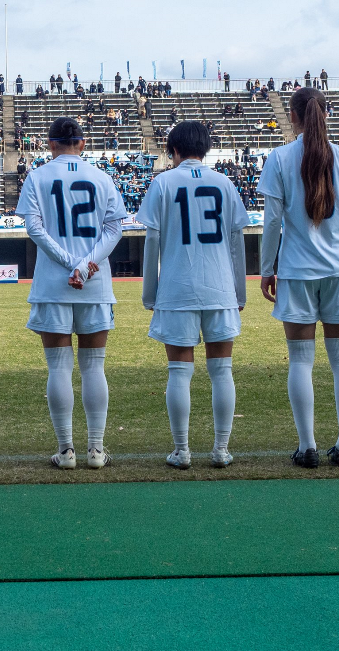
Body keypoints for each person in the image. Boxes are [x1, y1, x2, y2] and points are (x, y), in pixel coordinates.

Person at [258, 88, 339, 468]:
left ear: (293, 116)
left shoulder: (278, 158)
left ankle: (306, 446)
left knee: (300, 362)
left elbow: (272, 221)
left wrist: (267, 268)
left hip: (297, 271)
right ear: (326, 114)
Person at [16, 117, 127, 470]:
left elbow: (34, 228)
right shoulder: (102, 176)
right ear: (82, 143)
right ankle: (96, 450)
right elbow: (114, 229)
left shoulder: (37, 176)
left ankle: (66, 451)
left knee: (58, 368)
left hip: (53, 283)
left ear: (50, 143)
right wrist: (86, 264)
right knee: (94, 367)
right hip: (95, 283)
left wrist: (69, 264)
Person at [140, 120, 247, 469]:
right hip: (219, 287)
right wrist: (239, 292)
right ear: (206, 149)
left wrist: (150, 293)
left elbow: (152, 239)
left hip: (177, 286)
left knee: (178, 370)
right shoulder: (225, 182)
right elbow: (236, 241)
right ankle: (221, 449)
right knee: (222, 370)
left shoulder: (162, 182)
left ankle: (182, 450)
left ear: (173, 150)